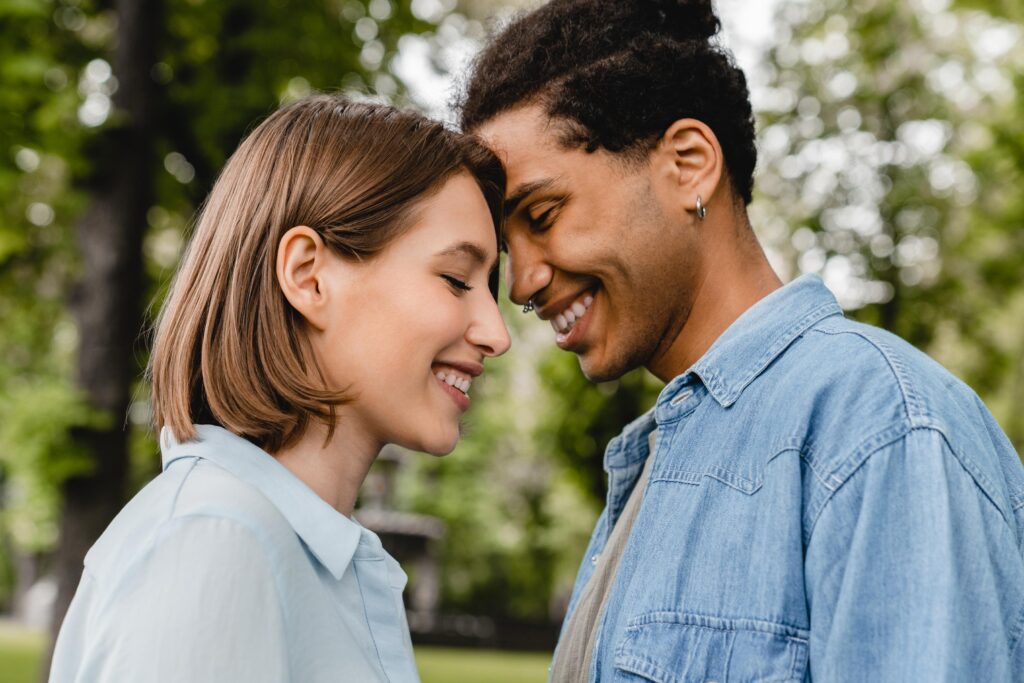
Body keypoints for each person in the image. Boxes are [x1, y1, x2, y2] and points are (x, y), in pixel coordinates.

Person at [459, 0, 1024, 680]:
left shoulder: (878, 427)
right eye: (506, 247)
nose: (522, 282)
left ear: (689, 165)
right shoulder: (652, 464)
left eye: (543, 215)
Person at [48, 95, 511, 682]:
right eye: (456, 279)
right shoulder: (217, 539)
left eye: (491, 288)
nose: (496, 334)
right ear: (308, 276)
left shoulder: (289, 549)